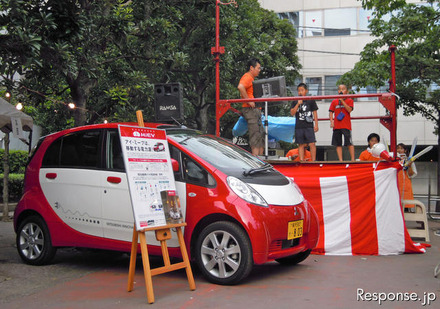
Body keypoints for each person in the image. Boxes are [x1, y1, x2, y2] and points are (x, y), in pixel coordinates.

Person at [237, 58, 264, 156]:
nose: (259, 70)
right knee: (255, 133)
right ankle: (256, 158)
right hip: (250, 109)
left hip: (254, 109)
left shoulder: (251, 78)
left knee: (260, 133)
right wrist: (249, 100)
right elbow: (240, 87)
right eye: (258, 68)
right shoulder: (247, 77)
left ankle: (259, 157)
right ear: (251, 68)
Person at [290, 83, 319, 161]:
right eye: (299, 91)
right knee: (300, 144)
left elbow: (315, 113)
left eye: (302, 90)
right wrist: (297, 104)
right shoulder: (295, 101)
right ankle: (302, 160)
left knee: (312, 143)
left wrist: (316, 124)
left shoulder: (311, 100)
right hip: (299, 126)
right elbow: (292, 113)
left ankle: (313, 161)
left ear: (306, 91)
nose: (300, 92)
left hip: (309, 125)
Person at [329, 84, 354, 161]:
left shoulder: (350, 100)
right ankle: (340, 160)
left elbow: (349, 110)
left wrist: (342, 101)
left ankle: (353, 159)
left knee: (349, 142)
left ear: (347, 91)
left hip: (346, 125)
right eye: (339, 89)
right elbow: (331, 112)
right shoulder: (334, 101)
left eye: (343, 89)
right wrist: (331, 121)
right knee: (338, 144)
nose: (341, 91)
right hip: (337, 126)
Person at [396, 143, 417, 208]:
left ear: (405, 150)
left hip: (405, 185)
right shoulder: (394, 160)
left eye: (401, 148)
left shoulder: (409, 160)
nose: (399, 150)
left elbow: (411, 174)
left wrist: (409, 165)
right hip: (395, 185)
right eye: (398, 148)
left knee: (406, 206)